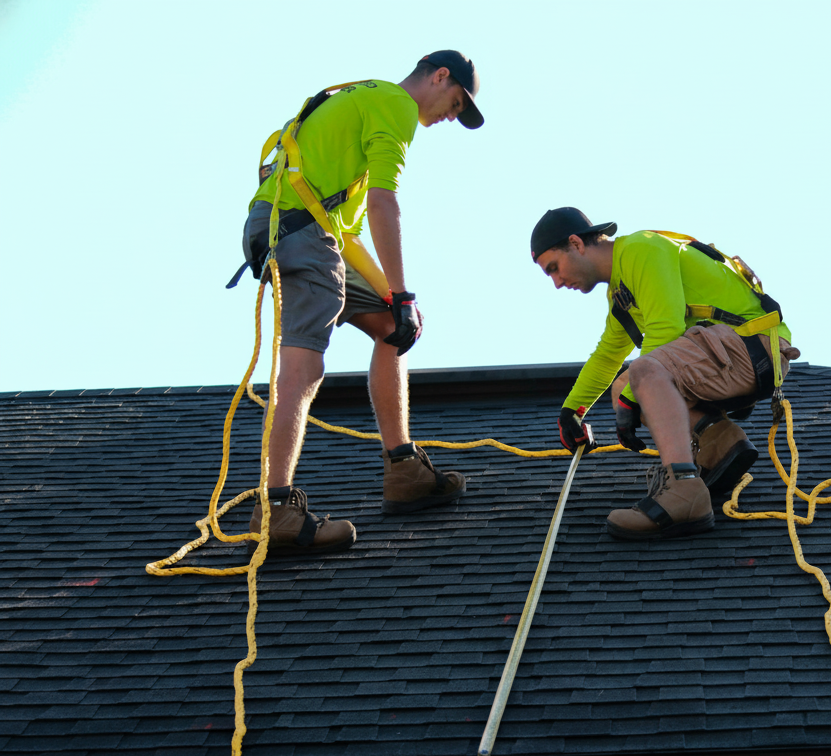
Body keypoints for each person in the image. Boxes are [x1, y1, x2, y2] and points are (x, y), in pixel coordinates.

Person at [239, 51, 484, 556]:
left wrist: (397, 302)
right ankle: (277, 508)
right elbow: (382, 203)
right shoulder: (395, 106)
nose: (450, 116)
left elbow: (345, 230)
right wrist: (403, 288)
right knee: (303, 367)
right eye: (456, 102)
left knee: (395, 330)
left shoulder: (363, 95)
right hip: (300, 233)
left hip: (303, 229)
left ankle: (404, 470)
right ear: (440, 77)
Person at [531, 208, 800, 541]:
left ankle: (684, 490)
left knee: (642, 373)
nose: (557, 283)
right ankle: (719, 441)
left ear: (576, 243)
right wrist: (572, 411)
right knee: (625, 384)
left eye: (554, 268)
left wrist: (634, 397)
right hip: (735, 352)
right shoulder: (621, 291)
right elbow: (607, 355)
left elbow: (666, 329)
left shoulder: (640, 249)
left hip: (751, 347)